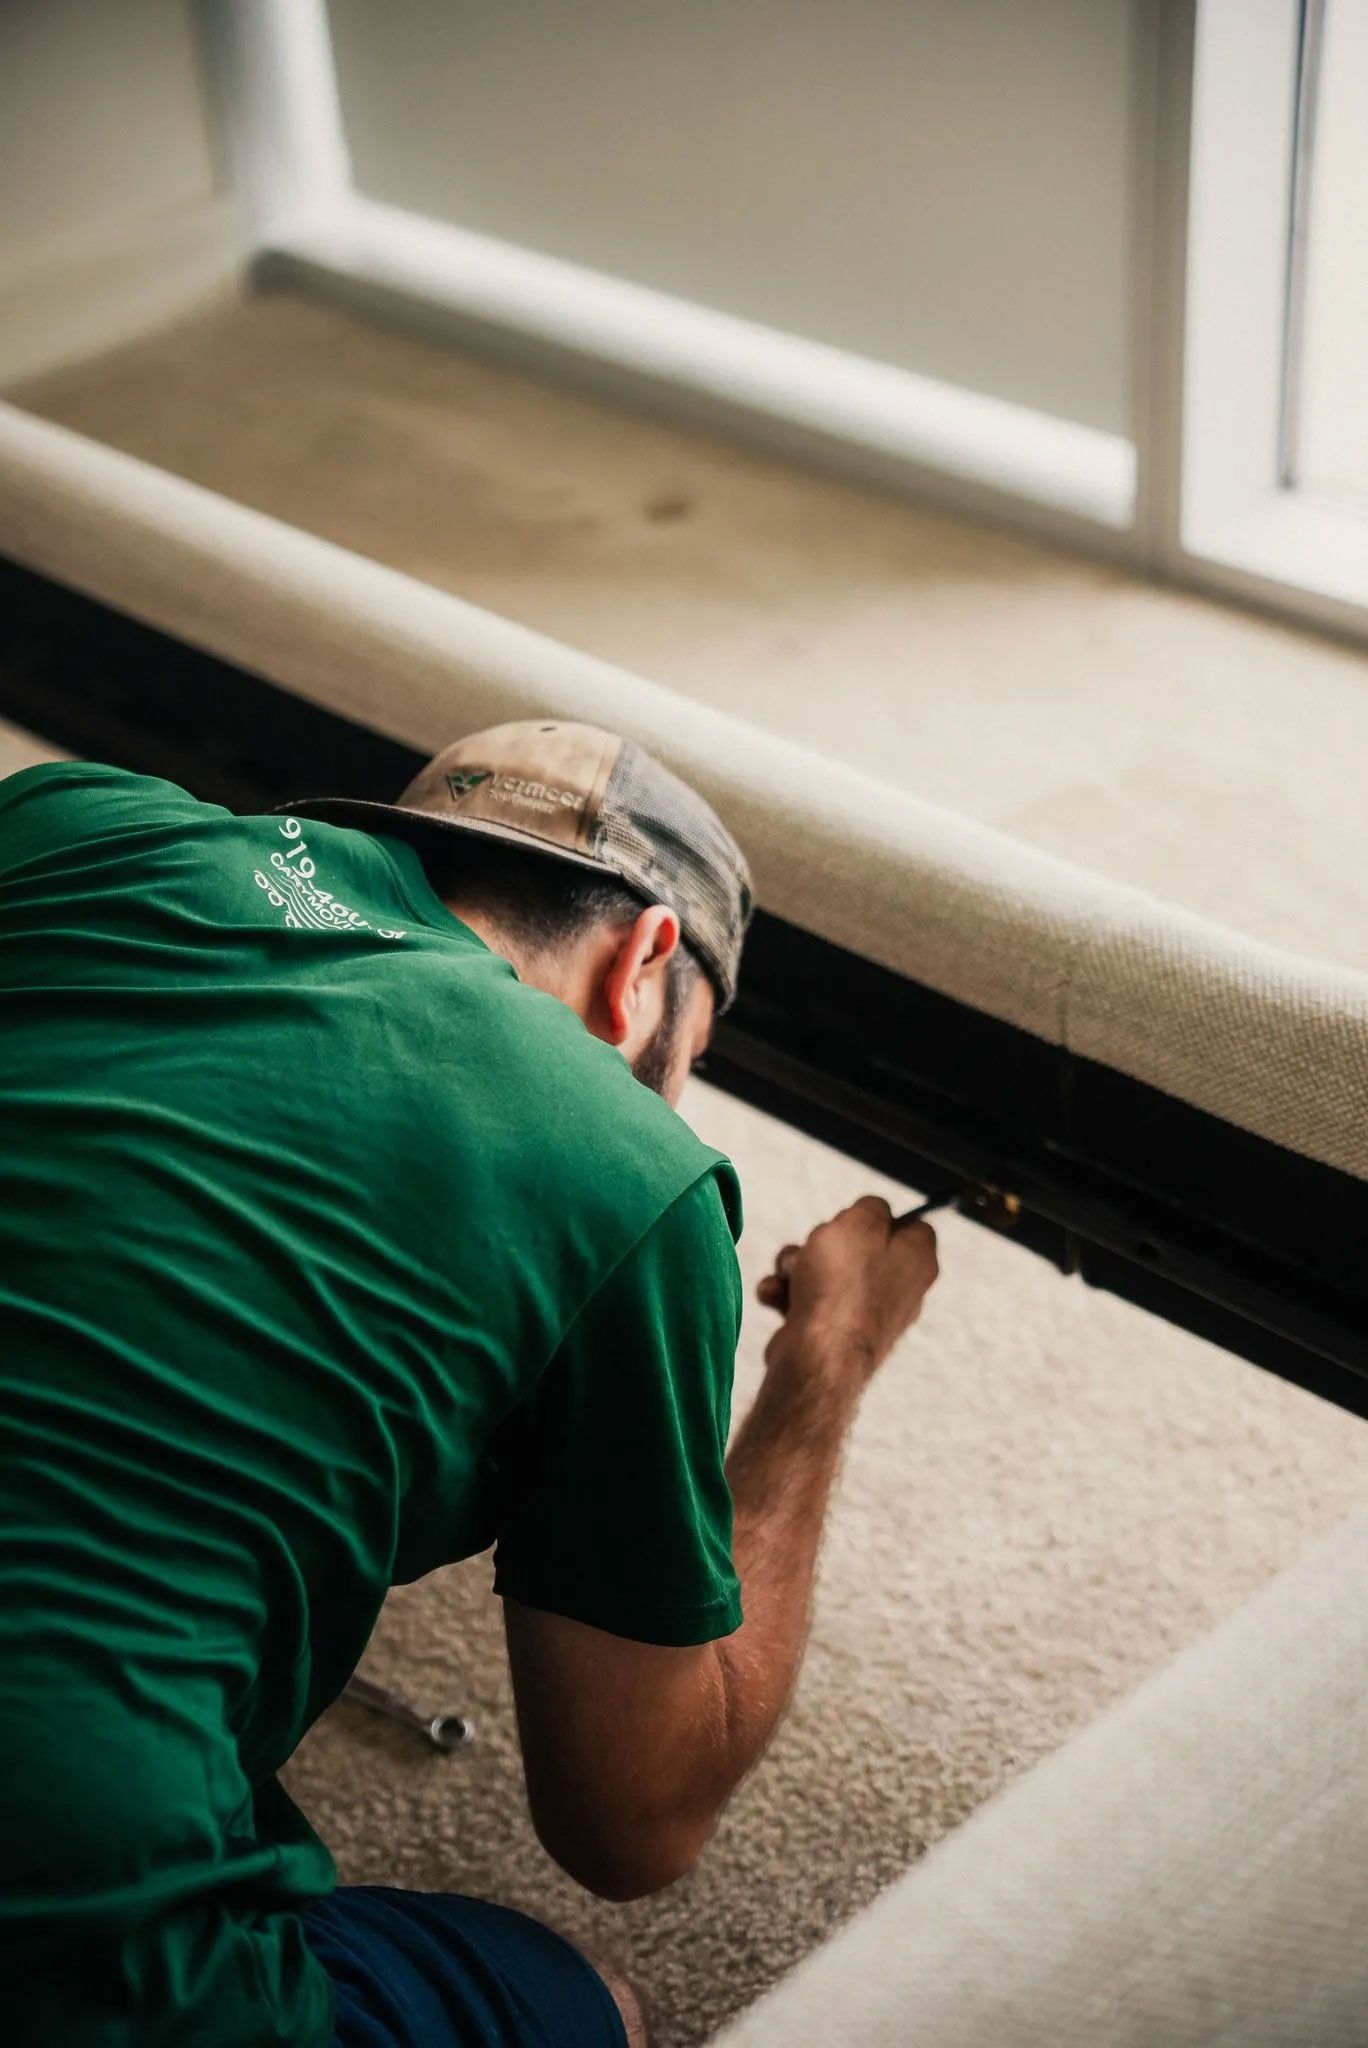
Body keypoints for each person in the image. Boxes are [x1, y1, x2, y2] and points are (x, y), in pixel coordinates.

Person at [0, 719, 940, 2048]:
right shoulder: (629, 1171)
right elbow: (633, 1819)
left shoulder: (73, 823)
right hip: (66, 1970)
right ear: (644, 967)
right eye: (688, 1066)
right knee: (586, 1999)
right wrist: (823, 1370)